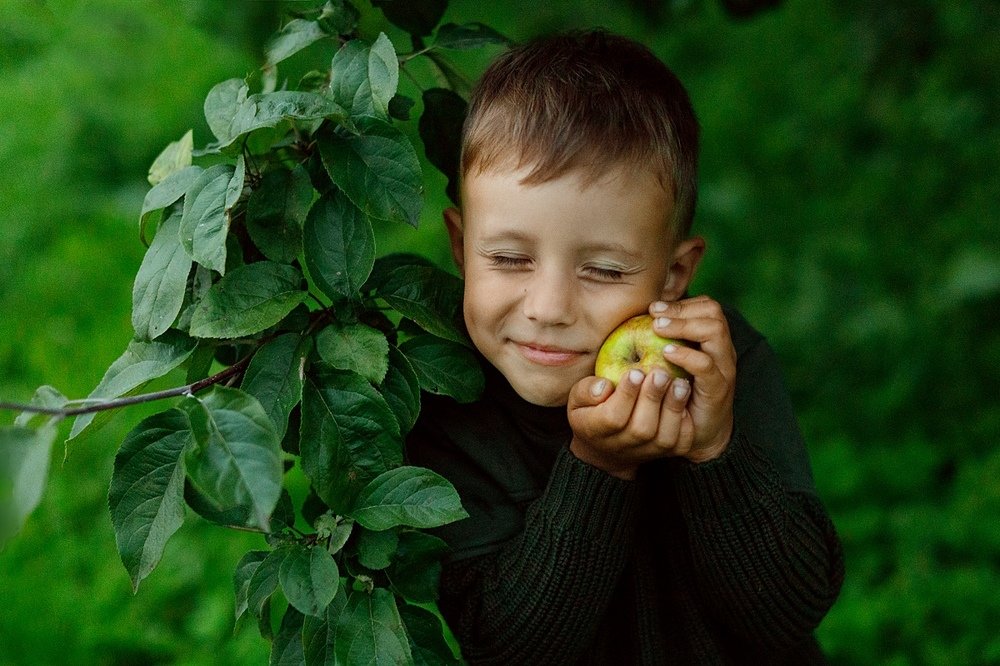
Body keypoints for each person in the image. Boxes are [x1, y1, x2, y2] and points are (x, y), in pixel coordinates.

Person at [405, 29, 844, 665]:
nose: (549, 308)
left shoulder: (716, 369)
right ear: (460, 247)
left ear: (673, 274)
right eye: (508, 258)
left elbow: (790, 612)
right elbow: (509, 650)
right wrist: (599, 467)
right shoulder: (449, 409)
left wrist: (715, 452)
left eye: (604, 270)